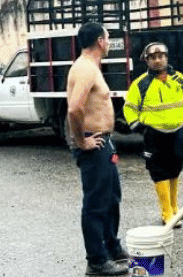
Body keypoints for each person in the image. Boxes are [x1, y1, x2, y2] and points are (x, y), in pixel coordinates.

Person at [67, 22, 128, 277]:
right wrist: (82, 141)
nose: (109, 41)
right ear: (100, 41)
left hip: (104, 141)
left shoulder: (91, 67)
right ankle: (96, 260)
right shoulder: (85, 69)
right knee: (96, 203)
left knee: (112, 196)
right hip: (94, 143)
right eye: (108, 37)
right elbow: (74, 108)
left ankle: (112, 248)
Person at [123, 42, 183, 226]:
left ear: (166, 58)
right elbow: (129, 109)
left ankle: (176, 209)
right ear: (146, 60)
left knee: (175, 169)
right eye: (153, 57)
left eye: (161, 56)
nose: (158, 60)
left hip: (178, 132)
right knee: (159, 172)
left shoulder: (179, 79)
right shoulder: (141, 84)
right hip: (155, 135)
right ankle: (167, 213)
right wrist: (140, 128)